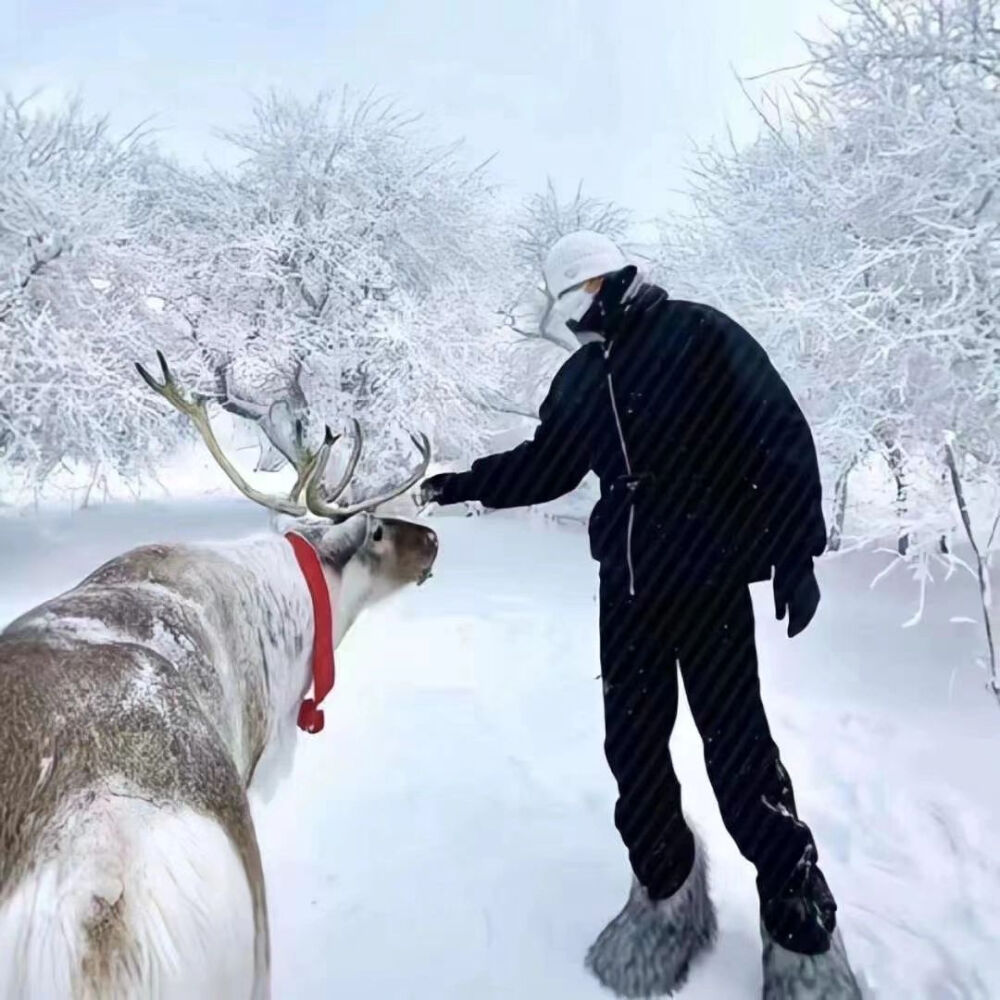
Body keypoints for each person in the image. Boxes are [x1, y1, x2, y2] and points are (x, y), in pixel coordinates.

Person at [418, 231, 862, 999]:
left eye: (587, 290)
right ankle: (664, 890)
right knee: (632, 749)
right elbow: (545, 465)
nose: (581, 309)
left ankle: (797, 910)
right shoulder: (582, 378)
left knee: (738, 752)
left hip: (709, 581)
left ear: (616, 279)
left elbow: (777, 429)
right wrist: (458, 485)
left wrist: (797, 551)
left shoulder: (699, 333)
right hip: (626, 589)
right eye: (571, 298)